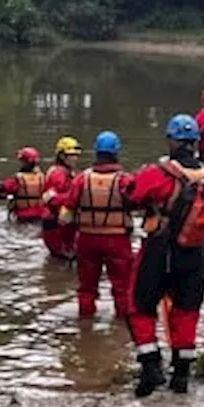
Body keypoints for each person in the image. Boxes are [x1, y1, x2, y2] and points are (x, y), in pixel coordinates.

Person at [124, 114, 204, 397]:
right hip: (195, 256)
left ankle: (151, 367)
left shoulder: (158, 174)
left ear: (171, 141)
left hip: (160, 251)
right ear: (195, 143)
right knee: (186, 313)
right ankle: (181, 377)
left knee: (138, 307)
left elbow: (133, 198)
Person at [57, 131, 135, 319]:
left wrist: (67, 242)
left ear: (96, 153)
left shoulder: (81, 179)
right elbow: (139, 203)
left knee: (87, 288)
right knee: (122, 287)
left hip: (87, 239)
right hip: (118, 240)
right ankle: (122, 329)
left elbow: (65, 216)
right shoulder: (126, 180)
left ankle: (85, 326)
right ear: (116, 153)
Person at [40, 136, 81, 260]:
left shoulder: (68, 172)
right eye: (71, 155)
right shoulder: (58, 174)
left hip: (63, 223)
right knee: (64, 257)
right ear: (62, 156)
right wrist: (75, 199)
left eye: (76, 155)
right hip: (55, 224)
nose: (75, 158)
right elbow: (51, 199)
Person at [0, 147, 48, 222]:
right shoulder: (43, 178)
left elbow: (0, 191)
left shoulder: (17, 180)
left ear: (23, 162)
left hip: (21, 218)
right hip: (41, 217)